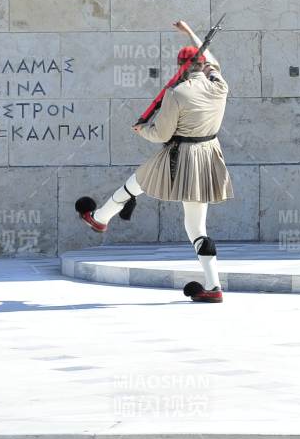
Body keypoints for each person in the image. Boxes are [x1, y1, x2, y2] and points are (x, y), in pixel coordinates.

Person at [75, 21, 233, 301]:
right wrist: (191, 34)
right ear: (202, 64)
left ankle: (100, 219)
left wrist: (142, 129)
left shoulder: (177, 93)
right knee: (197, 228)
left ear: (180, 67)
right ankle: (214, 287)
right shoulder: (219, 86)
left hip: (179, 155)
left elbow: (161, 132)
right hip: (209, 155)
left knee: (133, 185)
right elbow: (212, 60)